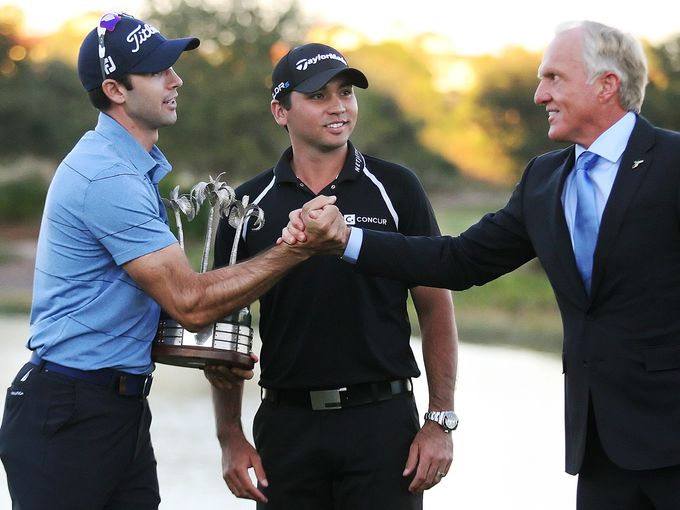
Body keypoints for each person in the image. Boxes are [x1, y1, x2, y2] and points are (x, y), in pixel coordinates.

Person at [287, 20, 680, 510]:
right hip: (599, 449)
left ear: (607, 85)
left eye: (554, 78)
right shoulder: (544, 179)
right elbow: (460, 260)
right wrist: (347, 240)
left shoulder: (673, 163)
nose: (539, 95)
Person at [0, 13, 342, 510]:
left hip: (115, 407)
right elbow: (190, 303)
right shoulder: (107, 177)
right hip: (70, 410)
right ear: (116, 89)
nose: (176, 80)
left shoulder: (131, 169)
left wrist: (214, 354)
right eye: (159, 71)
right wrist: (297, 248)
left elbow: (158, 306)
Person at [211, 43, 458, 510]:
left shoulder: (397, 188)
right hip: (286, 427)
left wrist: (439, 420)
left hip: (383, 425)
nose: (339, 106)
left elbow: (435, 305)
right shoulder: (246, 207)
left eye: (345, 92)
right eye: (319, 96)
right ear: (280, 111)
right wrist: (230, 436)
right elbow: (228, 334)